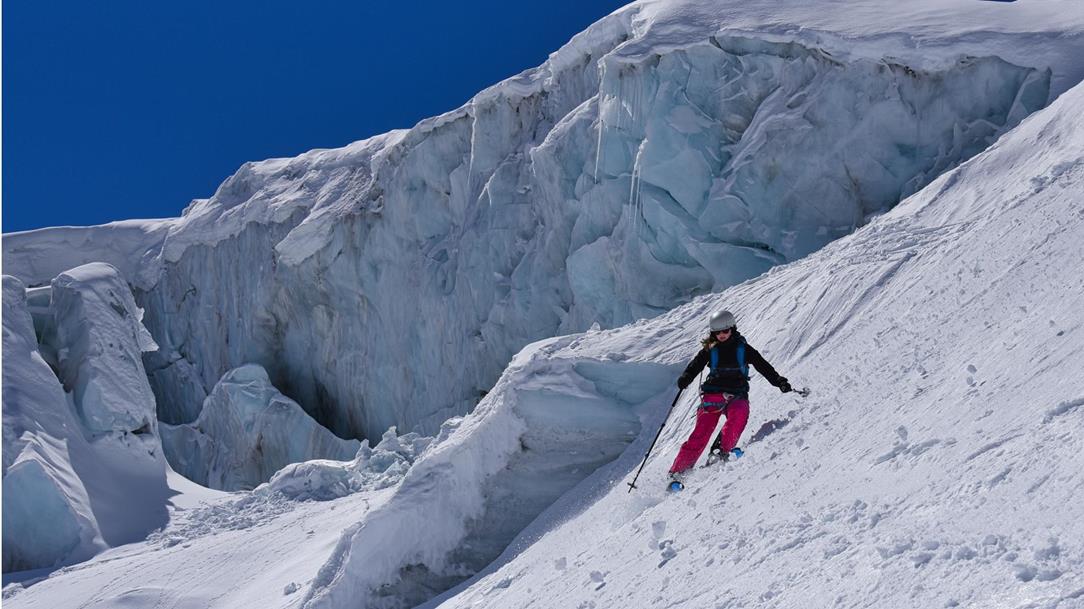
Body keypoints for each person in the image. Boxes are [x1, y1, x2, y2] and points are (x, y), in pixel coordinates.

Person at [668, 309, 792, 485]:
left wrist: (778, 381)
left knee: (739, 414)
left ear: (732, 329)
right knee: (702, 431)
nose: (722, 335)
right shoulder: (710, 350)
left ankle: (722, 451)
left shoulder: (743, 348)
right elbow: (695, 365)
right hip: (713, 393)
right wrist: (686, 378)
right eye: (717, 332)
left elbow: (762, 365)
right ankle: (678, 472)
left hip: (737, 393)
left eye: (725, 331)